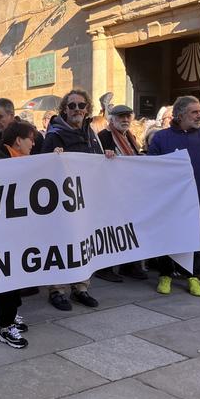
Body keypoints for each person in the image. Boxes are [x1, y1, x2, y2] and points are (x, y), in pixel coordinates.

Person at [41, 89, 115, 311]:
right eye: (71, 106)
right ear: (65, 109)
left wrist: (107, 157)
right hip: (63, 202)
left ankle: (81, 287)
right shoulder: (54, 133)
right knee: (61, 243)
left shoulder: (90, 131)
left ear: (87, 109)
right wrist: (53, 156)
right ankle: (57, 290)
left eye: (81, 105)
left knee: (84, 243)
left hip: (86, 199)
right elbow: (42, 163)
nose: (76, 110)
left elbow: (95, 161)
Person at [149, 95, 200, 297]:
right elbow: (152, 165)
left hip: (199, 198)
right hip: (170, 200)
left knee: (196, 238)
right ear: (180, 115)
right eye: (194, 112)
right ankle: (165, 274)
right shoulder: (162, 138)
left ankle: (194, 276)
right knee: (167, 236)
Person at [0, 121, 39, 348]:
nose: (34, 144)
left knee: (15, 275)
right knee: (6, 277)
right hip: (2, 233)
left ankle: (11, 315)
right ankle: (5, 326)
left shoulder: (16, 159)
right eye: (31, 139)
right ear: (18, 141)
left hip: (16, 229)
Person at [95, 105, 148, 282]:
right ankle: (104, 268)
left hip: (128, 191)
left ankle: (128, 265)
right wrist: (105, 155)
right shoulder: (104, 136)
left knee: (129, 229)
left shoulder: (130, 137)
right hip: (110, 192)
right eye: (121, 117)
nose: (125, 120)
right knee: (110, 229)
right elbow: (96, 160)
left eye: (127, 117)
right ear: (111, 119)